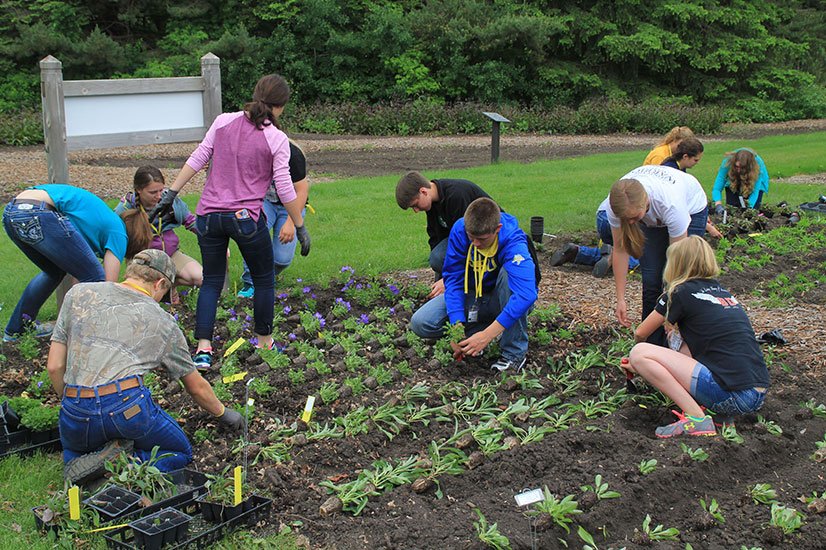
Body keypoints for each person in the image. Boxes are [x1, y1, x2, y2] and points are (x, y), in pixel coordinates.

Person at [148, 73, 311, 368]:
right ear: (281, 106)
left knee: (211, 281)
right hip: (245, 218)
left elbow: (198, 158)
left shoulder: (223, 122)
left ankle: (203, 350)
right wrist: (299, 224)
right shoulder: (276, 138)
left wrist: (171, 193)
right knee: (263, 280)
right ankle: (264, 341)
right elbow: (285, 188)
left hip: (208, 216)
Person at [47, 249, 244, 485]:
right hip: (124, 408)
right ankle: (127, 468)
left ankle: (83, 466)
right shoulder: (163, 322)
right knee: (178, 452)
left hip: (75, 406)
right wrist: (224, 413)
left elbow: (55, 366)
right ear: (160, 283)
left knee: (75, 453)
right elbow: (196, 387)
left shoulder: (79, 294)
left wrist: (73, 404)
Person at [626, 236, 769, 438]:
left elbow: (641, 333)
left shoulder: (678, 292)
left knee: (640, 353)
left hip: (732, 394)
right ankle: (723, 420)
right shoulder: (723, 293)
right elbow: (691, 356)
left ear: (675, 264)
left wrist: (637, 364)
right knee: (706, 354)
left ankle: (696, 418)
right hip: (756, 393)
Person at [3, 184, 150, 342]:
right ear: (136, 241)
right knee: (97, 278)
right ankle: (80, 337)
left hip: (13, 212)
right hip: (38, 212)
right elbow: (108, 286)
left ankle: (16, 331)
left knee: (54, 272)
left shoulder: (99, 224)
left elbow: (79, 277)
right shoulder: (119, 233)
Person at [409, 198, 538, 372]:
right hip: (473, 297)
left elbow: (526, 295)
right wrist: (456, 328)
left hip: (500, 298)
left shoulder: (514, 242)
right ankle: (480, 331)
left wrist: (486, 336)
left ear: (497, 229)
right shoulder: (460, 229)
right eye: (472, 238)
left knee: (509, 278)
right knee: (421, 322)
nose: (476, 244)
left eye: (482, 239)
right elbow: (453, 279)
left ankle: (513, 355)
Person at [607, 165, 709, 346]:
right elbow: (620, 250)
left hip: (692, 208)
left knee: (685, 280)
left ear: (645, 202)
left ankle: (686, 340)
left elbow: (678, 262)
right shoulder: (616, 206)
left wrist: (671, 311)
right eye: (626, 219)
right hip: (652, 214)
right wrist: (620, 299)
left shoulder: (670, 204)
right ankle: (651, 344)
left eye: (633, 218)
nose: (630, 223)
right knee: (652, 278)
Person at [396, 171, 493, 298]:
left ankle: (466, 284)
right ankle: (447, 288)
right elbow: (435, 236)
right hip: (465, 240)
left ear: (423, 191)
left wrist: (449, 280)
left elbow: (468, 242)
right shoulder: (432, 203)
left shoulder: (456, 195)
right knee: (436, 257)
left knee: (440, 257)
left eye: (415, 205)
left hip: (485, 239)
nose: (416, 210)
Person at [237, 141, 309, 298]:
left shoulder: (293, 155)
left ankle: (267, 276)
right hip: (265, 202)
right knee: (253, 235)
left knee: (282, 259)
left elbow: (302, 191)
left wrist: (291, 222)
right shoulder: (253, 153)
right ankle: (250, 282)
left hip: (291, 205)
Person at [115, 166, 203, 290]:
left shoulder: (169, 200)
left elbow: (191, 221)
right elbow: (113, 236)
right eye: (153, 192)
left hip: (170, 255)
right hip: (142, 260)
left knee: (200, 277)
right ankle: (163, 288)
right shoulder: (125, 208)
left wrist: (214, 240)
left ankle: (169, 285)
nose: (159, 196)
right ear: (139, 189)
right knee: (142, 291)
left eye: (161, 190)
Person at [712, 148, 769, 214]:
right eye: (737, 166)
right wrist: (718, 204)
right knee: (732, 209)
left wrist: (749, 208)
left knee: (752, 211)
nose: (738, 170)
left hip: (752, 180)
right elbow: (717, 188)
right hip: (733, 178)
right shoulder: (727, 163)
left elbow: (755, 191)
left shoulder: (758, 167)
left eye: (742, 168)